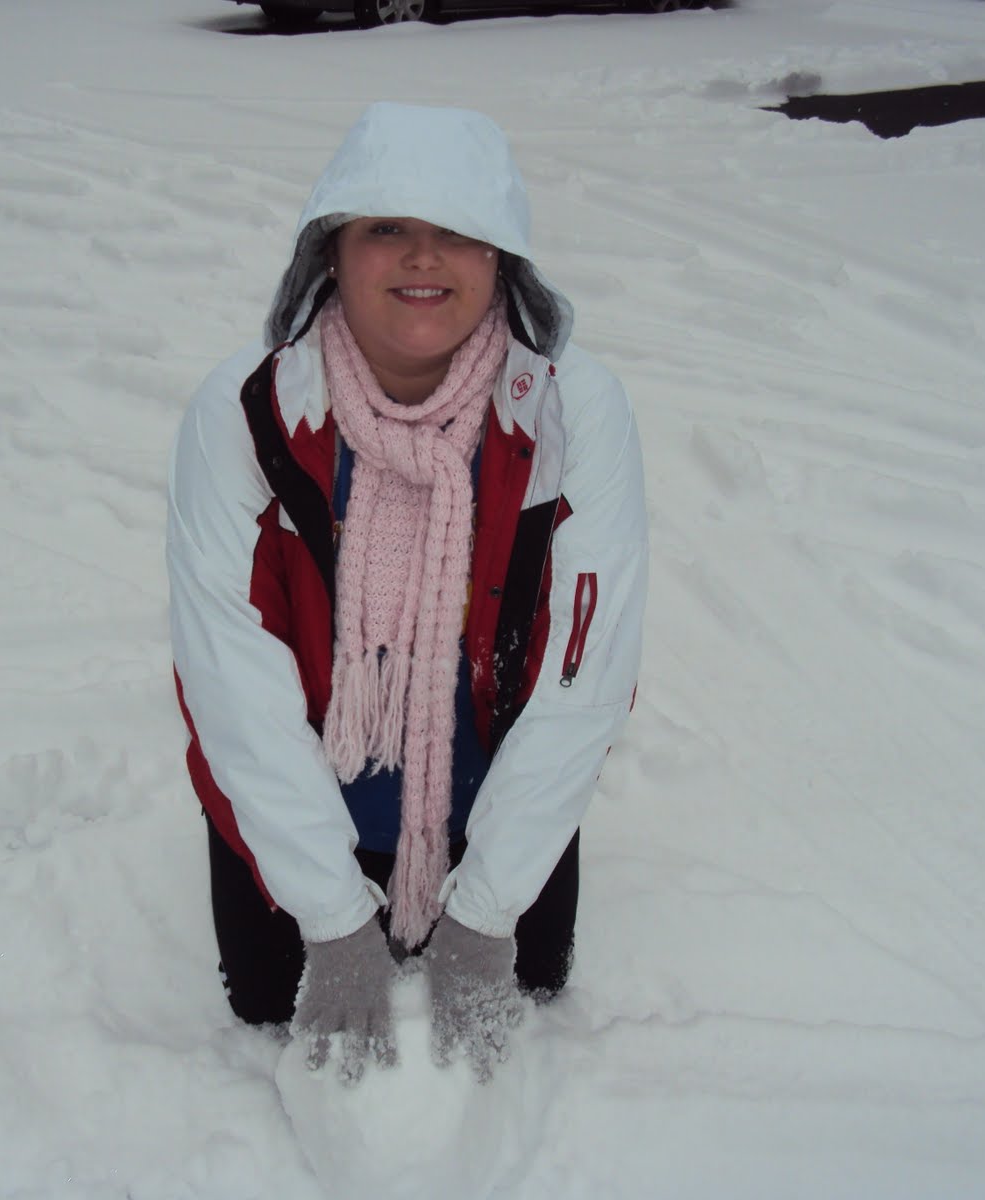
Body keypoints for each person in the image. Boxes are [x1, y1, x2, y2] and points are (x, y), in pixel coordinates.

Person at [167, 102, 648, 1086]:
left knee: (537, 980)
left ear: (502, 257)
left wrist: (487, 910)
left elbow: (584, 674)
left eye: (459, 231)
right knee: (263, 1004)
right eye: (386, 226)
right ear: (331, 251)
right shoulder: (249, 410)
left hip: (491, 809)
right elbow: (229, 674)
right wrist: (331, 917)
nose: (423, 258)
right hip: (301, 804)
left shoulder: (569, 409)